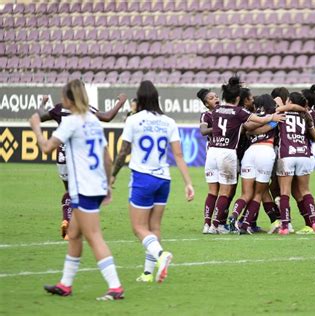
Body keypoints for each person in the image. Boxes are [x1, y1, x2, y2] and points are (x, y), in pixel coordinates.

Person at [30, 79, 124, 300]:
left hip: (84, 187)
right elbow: (106, 156)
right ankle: (65, 284)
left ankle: (115, 287)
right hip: (93, 185)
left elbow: (46, 148)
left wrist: (35, 125)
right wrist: (108, 184)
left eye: (63, 96)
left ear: (69, 99)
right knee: (73, 234)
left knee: (93, 237)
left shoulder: (71, 122)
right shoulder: (92, 120)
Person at [111, 81, 194, 283]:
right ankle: (148, 274)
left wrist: (113, 174)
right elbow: (179, 155)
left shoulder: (133, 120)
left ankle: (161, 255)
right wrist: (188, 183)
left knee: (138, 227)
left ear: (139, 99)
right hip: (163, 179)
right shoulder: (169, 122)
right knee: (154, 226)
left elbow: (124, 151)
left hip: (142, 177)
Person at [37, 92, 127, 240]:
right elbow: (107, 117)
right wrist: (121, 102)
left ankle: (68, 219)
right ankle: (78, 226)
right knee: (81, 194)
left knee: (69, 191)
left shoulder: (60, 109)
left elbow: (40, 116)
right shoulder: (87, 110)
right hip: (79, 159)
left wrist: (43, 102)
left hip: (62, 157)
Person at [206, 76, 284, 234]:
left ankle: (215, 223)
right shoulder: (240, 112)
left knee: (234, 192)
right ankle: (242, 223)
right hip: (236, 153)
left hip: (221, 152)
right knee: (255, 192)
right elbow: (250, 123)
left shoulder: (215, 111)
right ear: (238, 98)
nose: (252, 101)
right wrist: (273, 120)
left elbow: (248, 128)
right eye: (249, 98)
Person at [229, 94, 280, 234]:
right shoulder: (275, 115)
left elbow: (247, 127)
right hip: (266, 151)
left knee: (245, 193)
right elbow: (279, 103)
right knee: (258, 193)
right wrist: (271, 120)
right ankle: (245, 225)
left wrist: (254, 130)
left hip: (250, 153)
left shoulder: (253, 116)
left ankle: (234, 215)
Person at [276, 92, 315, 235]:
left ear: (289, 101)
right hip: (303, 155)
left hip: (286, 155)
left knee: (285, 192)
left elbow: (275, 111)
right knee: (305, 191)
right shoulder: (305, 116)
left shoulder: (281, 114)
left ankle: (284, 226)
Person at [197, 88, 220, 234]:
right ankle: (207, 223)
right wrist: (220, 127)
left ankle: (217, 224)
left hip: (225, 154)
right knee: (214, 192)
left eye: (217, 96)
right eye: (211, 98)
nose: (216, 99)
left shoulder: (225, 112)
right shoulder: (206, 115)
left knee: (224, 191)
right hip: (213, 153)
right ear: (206, 103)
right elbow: (203, 131)